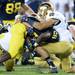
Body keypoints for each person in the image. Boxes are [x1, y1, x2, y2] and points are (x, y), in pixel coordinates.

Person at [24, 2, 75, 73]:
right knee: (67, 70)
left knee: (37, 47)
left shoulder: (53, 15)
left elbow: (41, 26)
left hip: (62, 44)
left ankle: (52, 66)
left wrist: (27, 20)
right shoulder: (54, 15)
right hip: (67, 46)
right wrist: (36, 17)